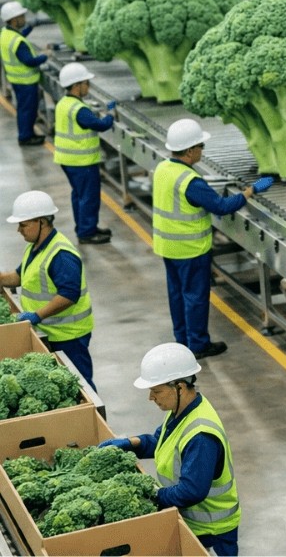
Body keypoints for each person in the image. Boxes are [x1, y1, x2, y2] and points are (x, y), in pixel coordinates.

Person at [100, 343, 240, 556]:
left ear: (180, 387)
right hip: (191, 523)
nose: (151, 397)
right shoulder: (181, 411)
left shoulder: (201, 436)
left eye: (156, 391)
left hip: (211, 532)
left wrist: (149, 495)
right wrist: (129, 444)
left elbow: (190, 492)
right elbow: (161, 442)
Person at [153, 118, 273, 359]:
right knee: (195, 297)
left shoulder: (164, 168)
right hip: (190, 249)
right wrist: (251, 190)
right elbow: (221, 206)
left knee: (177, 295)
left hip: (168, 246)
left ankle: (182, 340)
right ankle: (198, 345)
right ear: (189, 151)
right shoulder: (190, 181)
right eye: (201, 146)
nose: (202, 150)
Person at [0, 191, 96, 389]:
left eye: (23, 225)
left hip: (68, 335)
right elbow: (20, 276)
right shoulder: (36, 246)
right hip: (49, 331)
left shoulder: (61, 254)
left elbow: (69, 295)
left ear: (42, 222)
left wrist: (37, 315)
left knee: (80, 386)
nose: (19, 230)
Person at [53, 63, 116, 245]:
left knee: (79, 195)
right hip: (82, 161)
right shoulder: (78, 109)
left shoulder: (64, 103)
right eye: (86, 83)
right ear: (76, 85)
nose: (88, 87)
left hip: (68, 160)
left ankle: (83, 227)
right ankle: (87, 232)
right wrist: (110, 114)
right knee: (89, 196)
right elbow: (100, 125)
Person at [1, 1, 49, 146]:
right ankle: (26, 137)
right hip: (26, 82)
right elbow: (29, 61)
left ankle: (27, 134)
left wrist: (30, 27)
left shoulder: (5, 33)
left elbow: (19, 36)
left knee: (24, 109)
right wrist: (45, 55)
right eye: (22, 16)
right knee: (28, 110)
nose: (24, 18)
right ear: (14, 20)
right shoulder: (17, 42)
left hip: (16, 80)